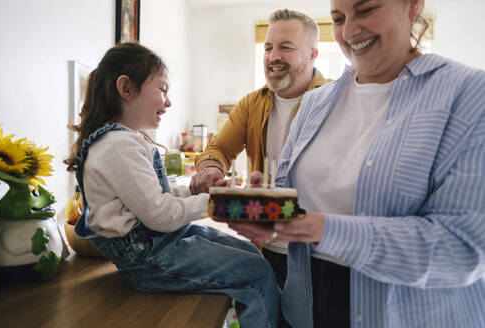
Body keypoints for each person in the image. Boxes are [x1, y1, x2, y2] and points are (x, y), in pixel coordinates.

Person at [226, 0, 485, 327]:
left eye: (366, 10)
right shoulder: (315, 103)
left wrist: (322, 229)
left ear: (412, 7)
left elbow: (463, 249)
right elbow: (291, 196)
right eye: (338, 18)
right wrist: (264, 200)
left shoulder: (469, 95)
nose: (349, 31)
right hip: (305, 308)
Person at [64, 42, 279, 328]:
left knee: (251, 252)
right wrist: (222, 200)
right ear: (126, 89)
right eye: (163, 89)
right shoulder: (118, 145)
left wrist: (193, 190)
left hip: (159, 243)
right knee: (257, 274)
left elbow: (149, 197)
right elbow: (160, 214)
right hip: (149, 257)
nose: (169, 102)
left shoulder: (124, 140)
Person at [190, 8, 330, 295]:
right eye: (268, 48)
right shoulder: (251, 104)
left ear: (313, 55)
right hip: (266, 247)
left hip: (320, 252)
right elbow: (217, 148)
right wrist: (211, 168)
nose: (273, 56)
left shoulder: (334, 99)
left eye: (285, 48)